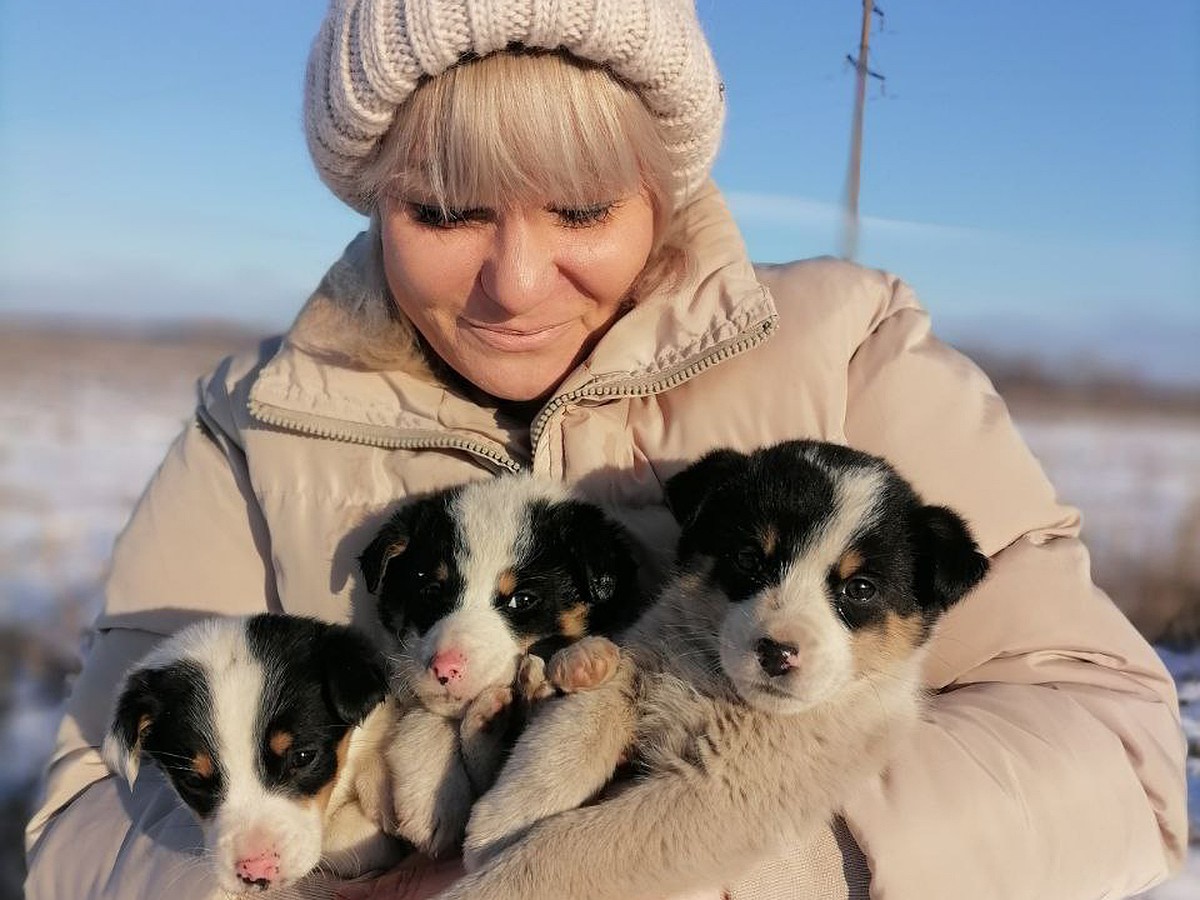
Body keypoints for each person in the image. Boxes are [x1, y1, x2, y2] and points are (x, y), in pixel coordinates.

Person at [24, 1, 1187, 898]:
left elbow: (1114, 745)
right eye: (443, 211)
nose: (516, 284)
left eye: (579, 210)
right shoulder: (257, 419)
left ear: (662, 188)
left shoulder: (844, 353)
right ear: (372, 196)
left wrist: (701, 863)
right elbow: (88, 810)